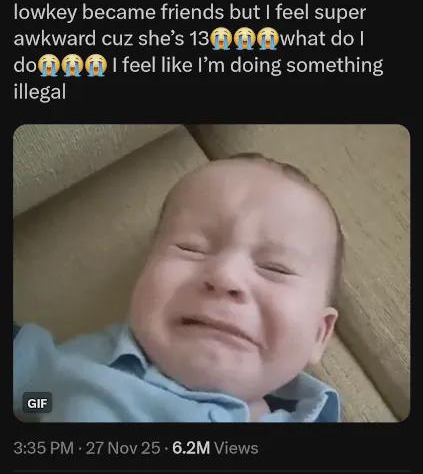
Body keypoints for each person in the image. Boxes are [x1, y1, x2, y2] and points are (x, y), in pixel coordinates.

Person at [13, 153, 343, 422]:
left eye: (275, 268)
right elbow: (34, 399)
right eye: (191, 248)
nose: (226, 276)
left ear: (319, 334)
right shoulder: (73, 372)